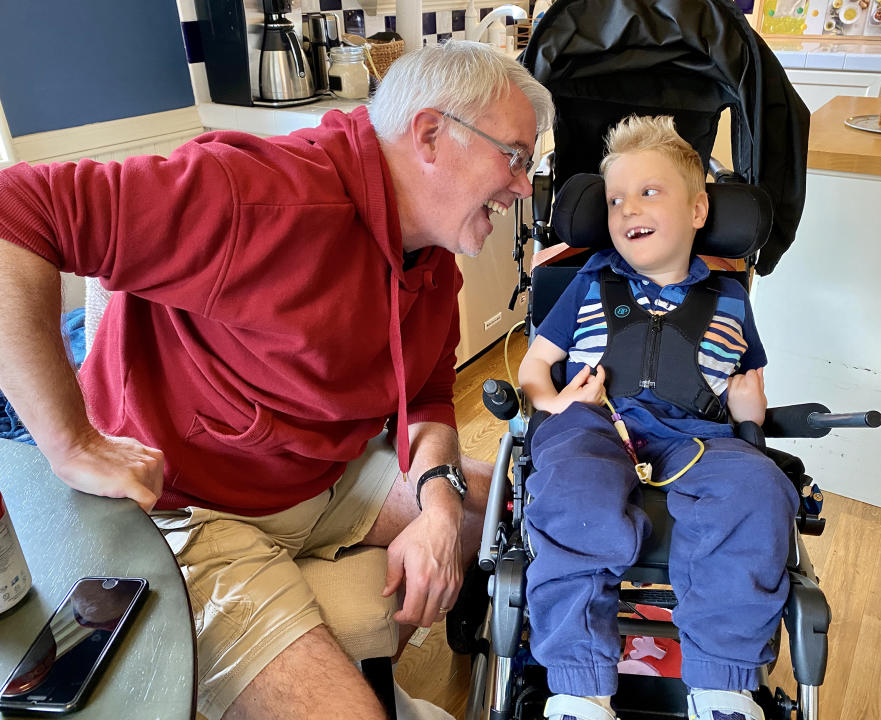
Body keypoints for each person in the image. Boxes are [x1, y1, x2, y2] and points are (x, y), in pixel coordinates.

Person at [0, 41, 554, 720]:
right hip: (192, 506)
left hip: (326, 474)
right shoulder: (254, 194)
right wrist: (71, 442)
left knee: (513, 510)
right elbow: (15, 212)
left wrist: (438, 504)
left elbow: (432, 401)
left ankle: (367, 676)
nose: (526, 185)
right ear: (433, 135)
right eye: (518, 157)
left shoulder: (434, 263)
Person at [517, 115, 797, 720]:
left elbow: (745, 384)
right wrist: (555, 403)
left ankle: (721, 685)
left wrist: (752, 417)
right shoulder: (589, 283)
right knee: (571, 491)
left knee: (759, 487)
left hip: (698, 436)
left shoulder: (730, 300)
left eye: (649, 192)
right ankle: (578, 685)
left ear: (699, 211)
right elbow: (534, 368)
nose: (626, 210)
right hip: (595, 426)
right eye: (615, 199)